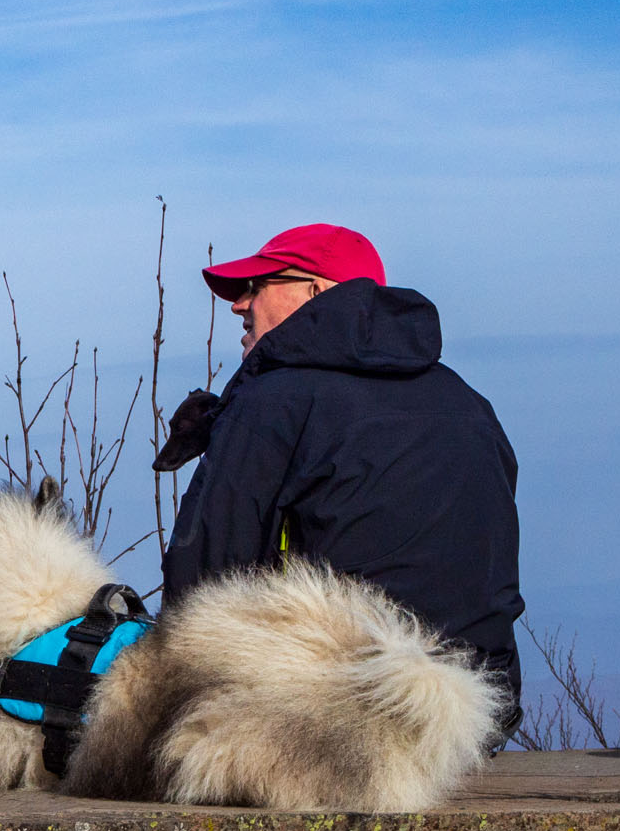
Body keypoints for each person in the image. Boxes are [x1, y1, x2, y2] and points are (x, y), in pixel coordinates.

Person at [158, 223, 523, 737]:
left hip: (330, 722)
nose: (239, 304)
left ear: (317, 291)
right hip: (472, 720)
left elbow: (201, 588)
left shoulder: (272, 404)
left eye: (256, 286)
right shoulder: (471, 406)